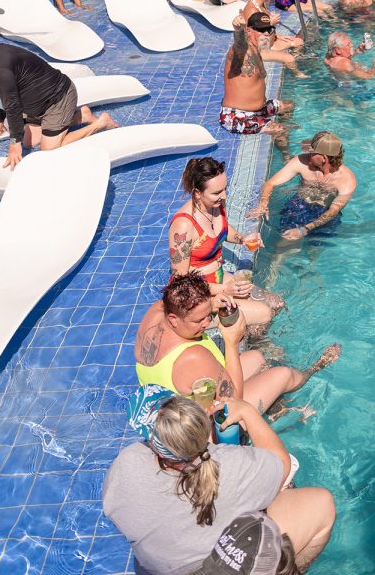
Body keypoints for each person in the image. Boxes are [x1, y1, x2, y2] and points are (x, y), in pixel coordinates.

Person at [104, 388, 336, 575]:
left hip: (161, 569)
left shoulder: (125, 465)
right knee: (321, 502)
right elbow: (282, 465)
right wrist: (248, 412)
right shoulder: (228, 465)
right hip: (226, 566)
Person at [134, 273, 340, 407]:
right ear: (174, 318)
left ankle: (274, 405)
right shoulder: (193, 356)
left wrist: (212, 303)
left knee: (256, 357)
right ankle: (316, 367)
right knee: (283, 374)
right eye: (199, 320)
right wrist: (231, 342)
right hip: (201, 429)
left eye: (208, 314)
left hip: (174, 405)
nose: (207, 323)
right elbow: (234, 403)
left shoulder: (158, 310)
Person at [168, 156, 283, 330]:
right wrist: (223, 290)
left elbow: (222, 229)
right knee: (264, 313)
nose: (224, 196)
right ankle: (252, 341)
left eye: (225, 189)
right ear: (197, 193)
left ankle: (251, 332)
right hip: (198, 296)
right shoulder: (183, 225)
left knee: (276, 302)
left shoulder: (217, 204)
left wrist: (243, 239)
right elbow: (181, 282)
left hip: (219, 276)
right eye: (217, 193)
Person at [0, 42, 115, 168]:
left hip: (58, 99)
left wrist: (14, 143)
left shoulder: (1, 68)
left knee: (49, 150)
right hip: (39, 105)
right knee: (29, 142)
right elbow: (1, 91)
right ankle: (82, 116)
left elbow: (13, 106)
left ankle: (101, 123)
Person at [250, 132, 356, 242]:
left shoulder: (347, 180)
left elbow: (333, 211)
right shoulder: (301, 162)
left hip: (325, 214)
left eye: (312, 153)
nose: (308, 154)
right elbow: (270, 183)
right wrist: (263, 204)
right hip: (298, 207)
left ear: (324, 158)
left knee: (314, 249)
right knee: (285, 244)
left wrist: (304, 229)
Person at [220, 13, 293, 137]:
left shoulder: (257, 50)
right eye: (261, 30)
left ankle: (279, 125)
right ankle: (284, 148)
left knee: (288, 106)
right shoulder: (241, 52)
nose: (266, 33)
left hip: (259, 110)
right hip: (237, 116)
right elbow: (239, 44)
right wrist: (238, 30)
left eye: (268, 29)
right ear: (248, 31)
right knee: (281, 130)